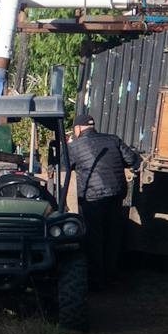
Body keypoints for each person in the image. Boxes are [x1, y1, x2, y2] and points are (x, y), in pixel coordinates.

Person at [64, 113, 137, 286]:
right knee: (113, 235)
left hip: (92, 197)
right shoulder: (113, 140)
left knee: (93, 237)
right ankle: (112, 276)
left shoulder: (75, 146)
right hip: (115, 194)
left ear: (78, 128)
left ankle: (96, 279)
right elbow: (132, 160)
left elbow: (63, 164)